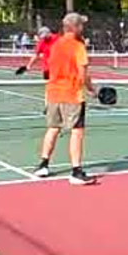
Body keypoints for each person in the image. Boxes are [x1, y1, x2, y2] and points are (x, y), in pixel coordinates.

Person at [33, 13, 97, 185]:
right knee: (77, 132)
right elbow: (83, 75)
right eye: (81, 25)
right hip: (72, 95)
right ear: (74, 27)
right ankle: (76, 172)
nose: (83, 28)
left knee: (53, 128)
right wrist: (92, 90)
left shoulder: (56, 45)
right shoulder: (78, 46)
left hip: (53, 93)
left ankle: (43, 165)